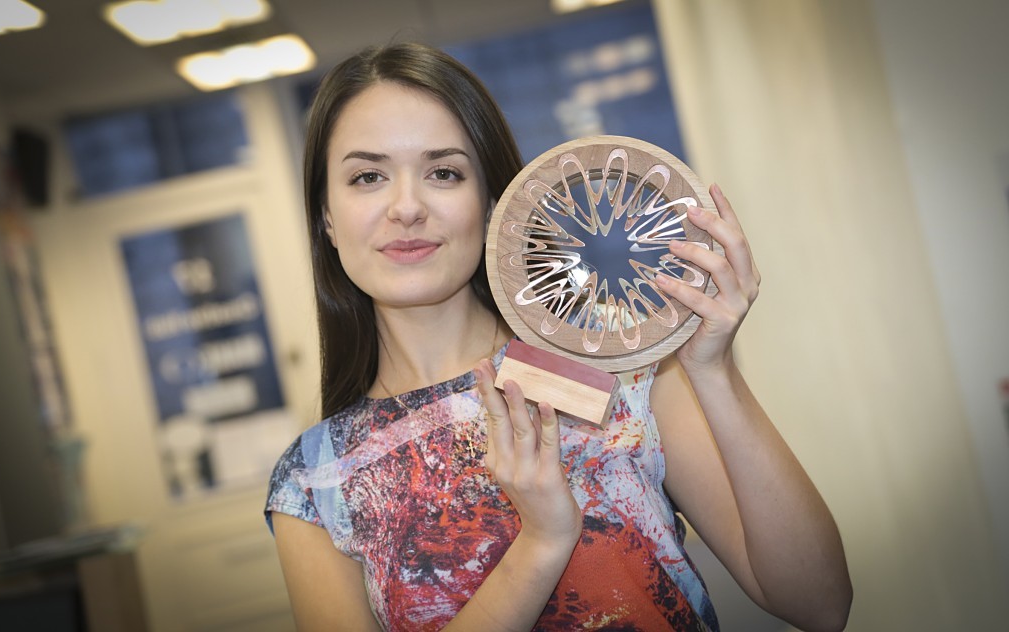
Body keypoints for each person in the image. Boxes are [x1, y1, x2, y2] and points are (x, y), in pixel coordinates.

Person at [265, 41, 852, 632]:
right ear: (327, 217)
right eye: (368, 177)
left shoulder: (613, 364)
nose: (407, 207)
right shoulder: (316, 481)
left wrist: (711, 369)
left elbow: (820, 604)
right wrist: (542, 540)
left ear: (493, 201)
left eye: (444, 172)